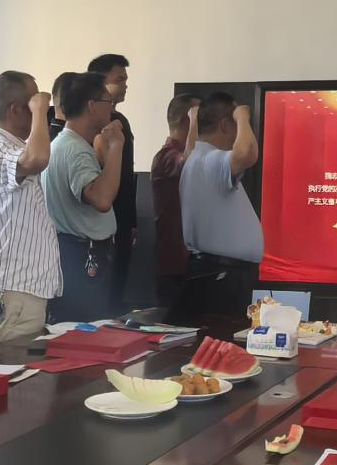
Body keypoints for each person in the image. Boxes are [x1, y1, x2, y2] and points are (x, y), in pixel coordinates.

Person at [0, 70, 58, 347]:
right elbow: (37, 159)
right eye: (32, 106)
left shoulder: (10, 146)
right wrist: (41, 109)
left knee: (22, 373)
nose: (41, 112)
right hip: (6, 294)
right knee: (5, 372)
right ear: (16, 110)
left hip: (17, 293)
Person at [43, 70, 126, 321]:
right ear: (91, 105)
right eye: (108, 101)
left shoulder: (64, 143)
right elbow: (101, 199)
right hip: (81, 256)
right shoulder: (76, 150)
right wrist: (116, 147)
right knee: (85, 329)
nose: (111, 107)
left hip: (72, 253)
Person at [174, 93, 261, 319]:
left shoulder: (196, 157)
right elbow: (247, 154)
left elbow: (192, 146)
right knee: (220, 337)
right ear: (225, 124)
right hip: (221, 276)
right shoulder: (211, 160)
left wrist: (194, 120)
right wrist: (242, 117)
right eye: (235, 124)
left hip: (219, 273)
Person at [89, 53, 138, 309]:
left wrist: (131, 220)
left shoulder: (120, 120)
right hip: (102, 218)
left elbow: (126, 174)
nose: (125, 85)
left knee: (117, 286)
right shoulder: (96, 125)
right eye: (120, 79)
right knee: (102, 293)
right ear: (100, 81)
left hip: (122, 218)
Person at [148, 94, 198, 310]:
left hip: (189, 262)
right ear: (185, 120)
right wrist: (195, 120)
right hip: (174, 262)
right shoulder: (166, 156)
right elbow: (191, 162)